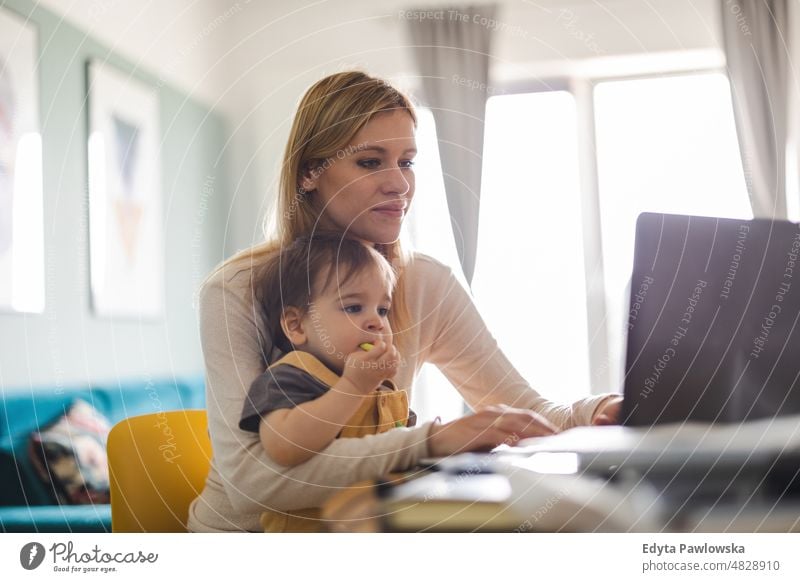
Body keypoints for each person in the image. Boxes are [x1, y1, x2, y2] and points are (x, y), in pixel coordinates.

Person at [187, 70, 622, 533]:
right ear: (308, 175)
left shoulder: (424, 283)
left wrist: (600, 410)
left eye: (407, 162)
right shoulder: (236, 289)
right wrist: (430, 442)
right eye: (371, 162)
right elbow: (256, 484)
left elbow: (526, 414)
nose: (399, 184)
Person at [240, 234, 419, 531]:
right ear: (297, 326)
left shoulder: (383, 389)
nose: (377, 322)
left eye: (383, 310)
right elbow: (284, 446)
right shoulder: (290, 376)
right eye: (353, 307)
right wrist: (353, 387)